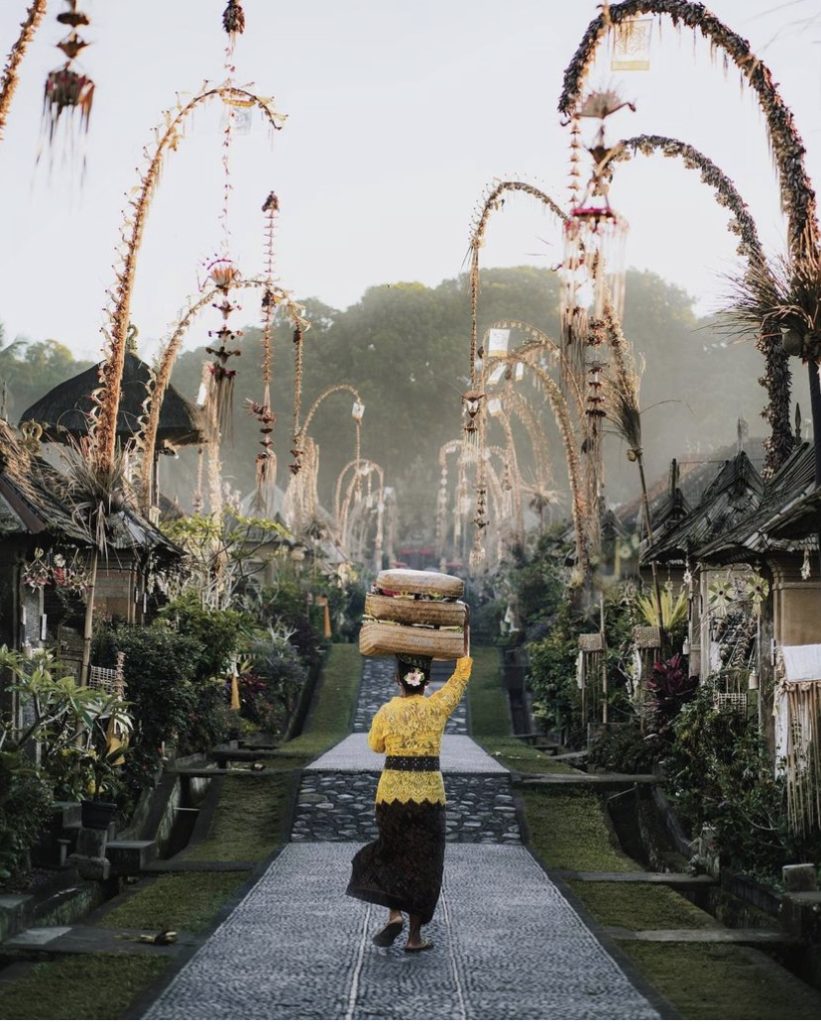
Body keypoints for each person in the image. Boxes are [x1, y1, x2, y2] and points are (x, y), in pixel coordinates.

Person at [346, 628, 472, 953]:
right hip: (429, 797)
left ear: (398, 681)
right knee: (424, 864)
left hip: (391, 797)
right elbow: (460, 678)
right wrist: (464, 639)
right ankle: (415, 938)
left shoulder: (387, 712)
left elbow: (375, 746)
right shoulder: (437, 708)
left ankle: (393, 914)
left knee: (392, 854)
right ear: (426, 682)